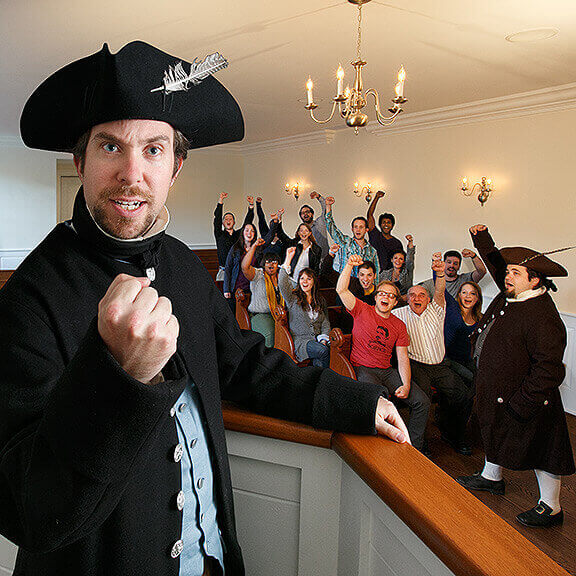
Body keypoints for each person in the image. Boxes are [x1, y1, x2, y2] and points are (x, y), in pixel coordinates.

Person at [0, 40, 410, 576]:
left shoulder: (183, 268)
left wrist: (354, 401)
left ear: (176, 167)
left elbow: (242, 363)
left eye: (152, 149)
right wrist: (116, 373)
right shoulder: (31, 296)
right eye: (109, 147)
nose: (131, 172)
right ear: (79, 161)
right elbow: (29, 510)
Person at [457, 225, 575, 527]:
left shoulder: (544, 316)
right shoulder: (515, 292)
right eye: (507, 272)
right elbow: (497, 266)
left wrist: (522, 403)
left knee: (543, 450)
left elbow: (548, 369)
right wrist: (482, 237)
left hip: (527, 399)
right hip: (496, 388)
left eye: (515, 273)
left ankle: (551, 507)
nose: (507, 277)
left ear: (534, 280)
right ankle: (491, 477)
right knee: (492, 430)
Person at [337, 255, 431, 452]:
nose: (386, 297)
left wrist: (405, 385)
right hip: (363, 368)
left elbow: (402, 357)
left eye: (391, 295)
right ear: (376, 297)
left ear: (396, 302)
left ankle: (414, 448)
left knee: (421, 401)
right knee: (378, 402)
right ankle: (376, 450)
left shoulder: (398, 325)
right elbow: (341, 290)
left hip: (387, 371)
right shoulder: (362, 309)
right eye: (382, 294)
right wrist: (348, 265)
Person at [394, 255, 473, 456]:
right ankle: (418, 443)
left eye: (421, 295)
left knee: (462, 395)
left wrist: (439, 272)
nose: (417, 298)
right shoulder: (399, 314)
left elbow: (439, 289)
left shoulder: (437, 309)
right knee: (423, 400)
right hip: (417, 365)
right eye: (412, 295)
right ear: (406, 298)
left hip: (440, 365)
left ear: (428, 299)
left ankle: (453, 434)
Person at [279, 247, 331, 367]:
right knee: (322, 351)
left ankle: (316, 382)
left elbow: (325, 323)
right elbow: (282, 283)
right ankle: (325, 381)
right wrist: (288, 260)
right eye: (302, 278)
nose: (305, 281)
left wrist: (323, 339)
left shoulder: (320, 300)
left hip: (318, 341)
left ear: (313, 282)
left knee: (320, 356)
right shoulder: (293, 298)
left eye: (308, 278)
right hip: (301, 342)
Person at [241, 238, 284, 347]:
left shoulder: (282, 278)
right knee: (270, 334)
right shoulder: (259, 275)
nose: (271, 264)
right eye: (268, 261)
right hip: (261, 315)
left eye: (274, 262)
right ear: (263, 264)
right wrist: (254, 246)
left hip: (279, 316)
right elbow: (245, 267)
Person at [325, 196, 380, 278]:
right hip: (344, 284)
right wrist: (328, 206)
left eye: (361, 227)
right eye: (356, 227)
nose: (358, 230)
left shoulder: (372, 251)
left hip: (362, 286)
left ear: (366, 230)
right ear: (352, 229)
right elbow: (331, 228)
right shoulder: (345, 241)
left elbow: (376, 272)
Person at [444, 282, 482, 385]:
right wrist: (438, 271)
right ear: (459, 295)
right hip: (448, 359)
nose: (468, 296)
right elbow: (442, 289)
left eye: (472, 293)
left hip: (468, 359)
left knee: (482, 377)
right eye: (464, 292)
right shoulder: (453, 308)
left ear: (477, 298)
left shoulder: (480, 319)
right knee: (472, 378)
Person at [213, 192, 254, 281]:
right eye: (226, 219)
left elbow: (247, 223)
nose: (228, 221)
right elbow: (217, 220)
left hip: (238, 271)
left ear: (234, 222)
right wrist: (220, 201)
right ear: (223, 223)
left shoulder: (239, 234)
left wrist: (251, 206)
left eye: (230, 219)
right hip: (223, 272)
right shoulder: (219, 234)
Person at [421, 247, 486, 300]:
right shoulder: (429, 284)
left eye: (455, 263)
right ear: (443, 263)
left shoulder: (465, 280)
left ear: (459, 266)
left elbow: (482, 271)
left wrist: (473, 256)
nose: (451, 266)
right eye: (449, 262)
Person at [223, 222, 258, 310]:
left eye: (252, 231)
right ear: (242, 232)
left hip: (252, 290)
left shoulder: (257, 249)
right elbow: (228, 268)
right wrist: (226, 289)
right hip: (236, 288)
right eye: (247, 230)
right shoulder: (235, 248)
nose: (249, 233)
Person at [366, 190, 404, 270]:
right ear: (380, 225)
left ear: (392, 225)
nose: (386, 224)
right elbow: (370, 215)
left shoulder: (397, 243)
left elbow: (401, 261)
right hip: (372, 272)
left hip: (389, 277)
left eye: (388, 222)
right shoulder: (375, 235)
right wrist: (376, 197)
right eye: (384, 222)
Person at [378, 234, 415, 303]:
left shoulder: (407, 272)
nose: (397, 261)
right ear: (392, 260)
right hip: (388, 302)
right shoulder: (384, 273)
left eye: (401, 259)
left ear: (404, 261)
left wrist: (410, 242)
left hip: (404, 303)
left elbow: (410, 259)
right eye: (395, 258)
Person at [299, 190, 329, 257]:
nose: (305, 214)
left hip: (324, 258)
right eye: (303, 213)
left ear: (312, 214)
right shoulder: (301, 230)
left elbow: (325, 208)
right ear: (301, 216)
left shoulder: (320, 222)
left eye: (307, 212)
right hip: (310, 260)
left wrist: (318, 197)